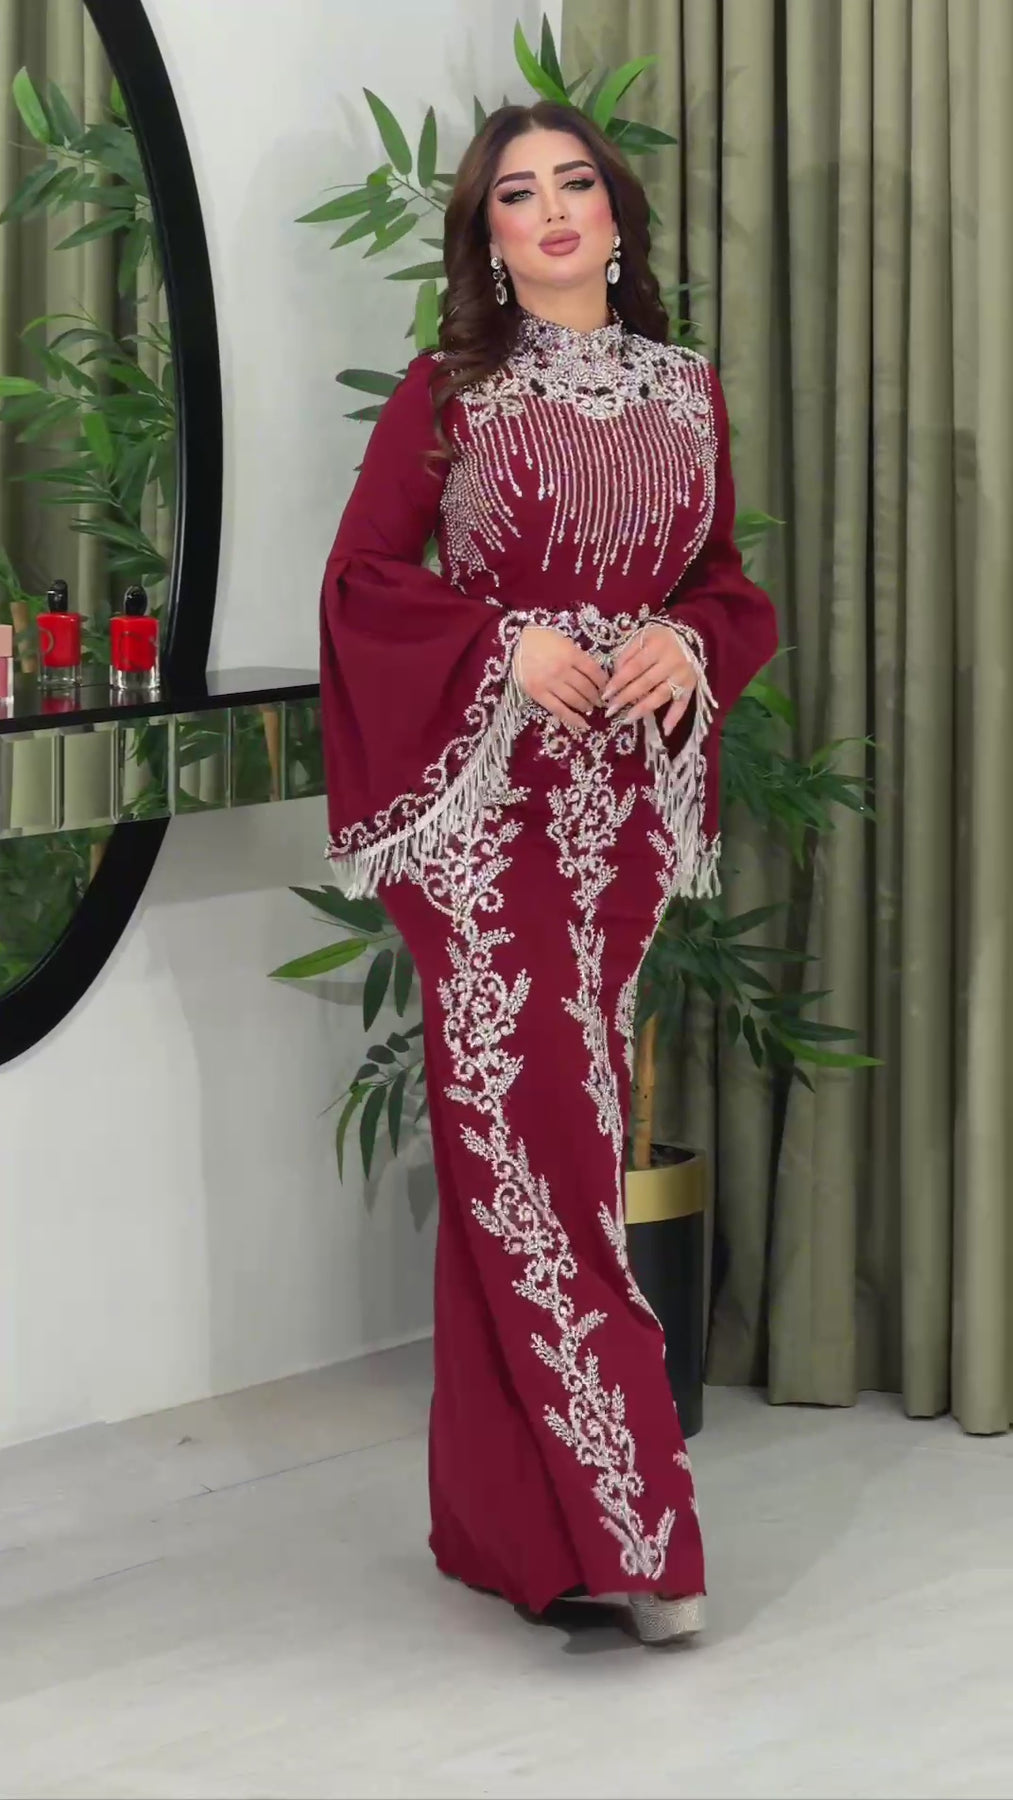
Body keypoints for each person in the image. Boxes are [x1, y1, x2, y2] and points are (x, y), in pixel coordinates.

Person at [319, 100, 777, 1647]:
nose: (555, 208)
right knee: (537, 1153)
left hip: (621, 820)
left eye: (576, 182)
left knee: (528, 1146)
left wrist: (688, 640)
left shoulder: (687, 394)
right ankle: (637, 1531)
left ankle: (513, 1530)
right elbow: (362, 582)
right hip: (483, 816)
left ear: (617, 216)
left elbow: (723, 587)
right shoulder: (449, 393)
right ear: (490, 239)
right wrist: (500, 642)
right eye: (518, 194)